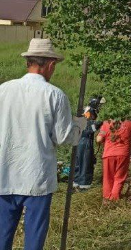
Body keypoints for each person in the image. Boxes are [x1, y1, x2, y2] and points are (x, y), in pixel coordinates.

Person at [0, 39, 76, 250]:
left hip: (4, 174)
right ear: (50, 65)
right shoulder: (54, 95)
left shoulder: (3, 90)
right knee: (34, 237)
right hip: (36, 175)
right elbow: (64, 137)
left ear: (28, 61)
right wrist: (78, 126)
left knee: (1, 235)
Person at [97, 119, 131, 202]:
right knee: (119, 178)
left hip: (108, 154)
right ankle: (114, 199)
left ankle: (107, 199)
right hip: (123, 154)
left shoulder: (106, 124)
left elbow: (99, 139)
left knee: (108, 178)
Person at [73, 96, 105, 190]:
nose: (100, 108)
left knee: (79, 163)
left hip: (79, 139)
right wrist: (102, 122)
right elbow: (88, 126)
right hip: (85, 139)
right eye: (99, 105)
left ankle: (75, 183)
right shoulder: (89, 112)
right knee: (86, 162)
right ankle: (84, 186)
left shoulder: (86, 110)